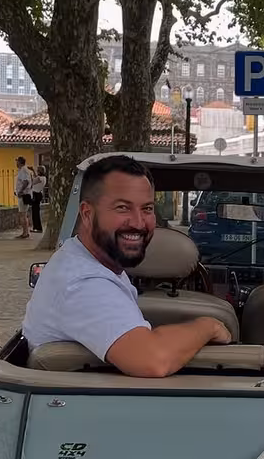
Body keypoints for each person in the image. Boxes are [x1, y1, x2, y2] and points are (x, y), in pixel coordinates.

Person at [22, 155, 231, 377]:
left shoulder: (84, 261)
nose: (139, 223)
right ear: (87, 213)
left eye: (147, 209)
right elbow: (152, 361)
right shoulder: (84, 282)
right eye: (123, 207)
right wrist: (209, 326)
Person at [14, 156, 33, 239]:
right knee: (23, 214)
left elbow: (26, 182)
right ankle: (25, 232)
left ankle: (25, 233)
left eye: (17, 161)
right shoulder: (24, 170)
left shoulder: (23, 170)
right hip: (24, 194)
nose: (16, 163)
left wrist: (21, 191)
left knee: (23, 214)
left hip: (24, 195)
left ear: (20, 162)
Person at [29, 163, 45, 233]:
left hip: (35, 195)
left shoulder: (39, 178)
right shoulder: (43, 178)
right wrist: (33, 171)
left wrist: (31, 175)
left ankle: (37, 228)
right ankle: (37, 227)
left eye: (37, 170)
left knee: (35, 213)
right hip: (38, 194)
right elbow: (36, 178)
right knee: (36, 211)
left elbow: (32, 182)